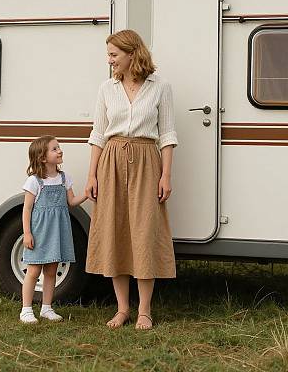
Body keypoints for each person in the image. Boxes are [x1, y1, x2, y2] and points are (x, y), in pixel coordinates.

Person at [85, 29, 178, 330]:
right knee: (115, 231)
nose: (109, 60)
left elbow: (167, 134)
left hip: (146, 160)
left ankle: (145, 310)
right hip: (111, 161)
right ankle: (123, 308)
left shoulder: (160, 87)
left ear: (131, 54)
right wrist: (92, 175)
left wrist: (166, 175)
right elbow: (98, 134)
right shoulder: (106, 88)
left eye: (114, 55)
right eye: (108, 55)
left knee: (144, 231)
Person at [20, 135, 88, 324]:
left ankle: (46, 308)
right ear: (42, 157)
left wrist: (87, 194)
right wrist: (27, 233)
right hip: (40, 232)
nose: (60, 151)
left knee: (51, 271)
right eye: (54, 149)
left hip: (58, 231)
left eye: (59, 147)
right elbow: (27, 209)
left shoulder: (64, 178)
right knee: (33, 271)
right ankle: (26, 309)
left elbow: (71, 202)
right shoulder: (34, 181)